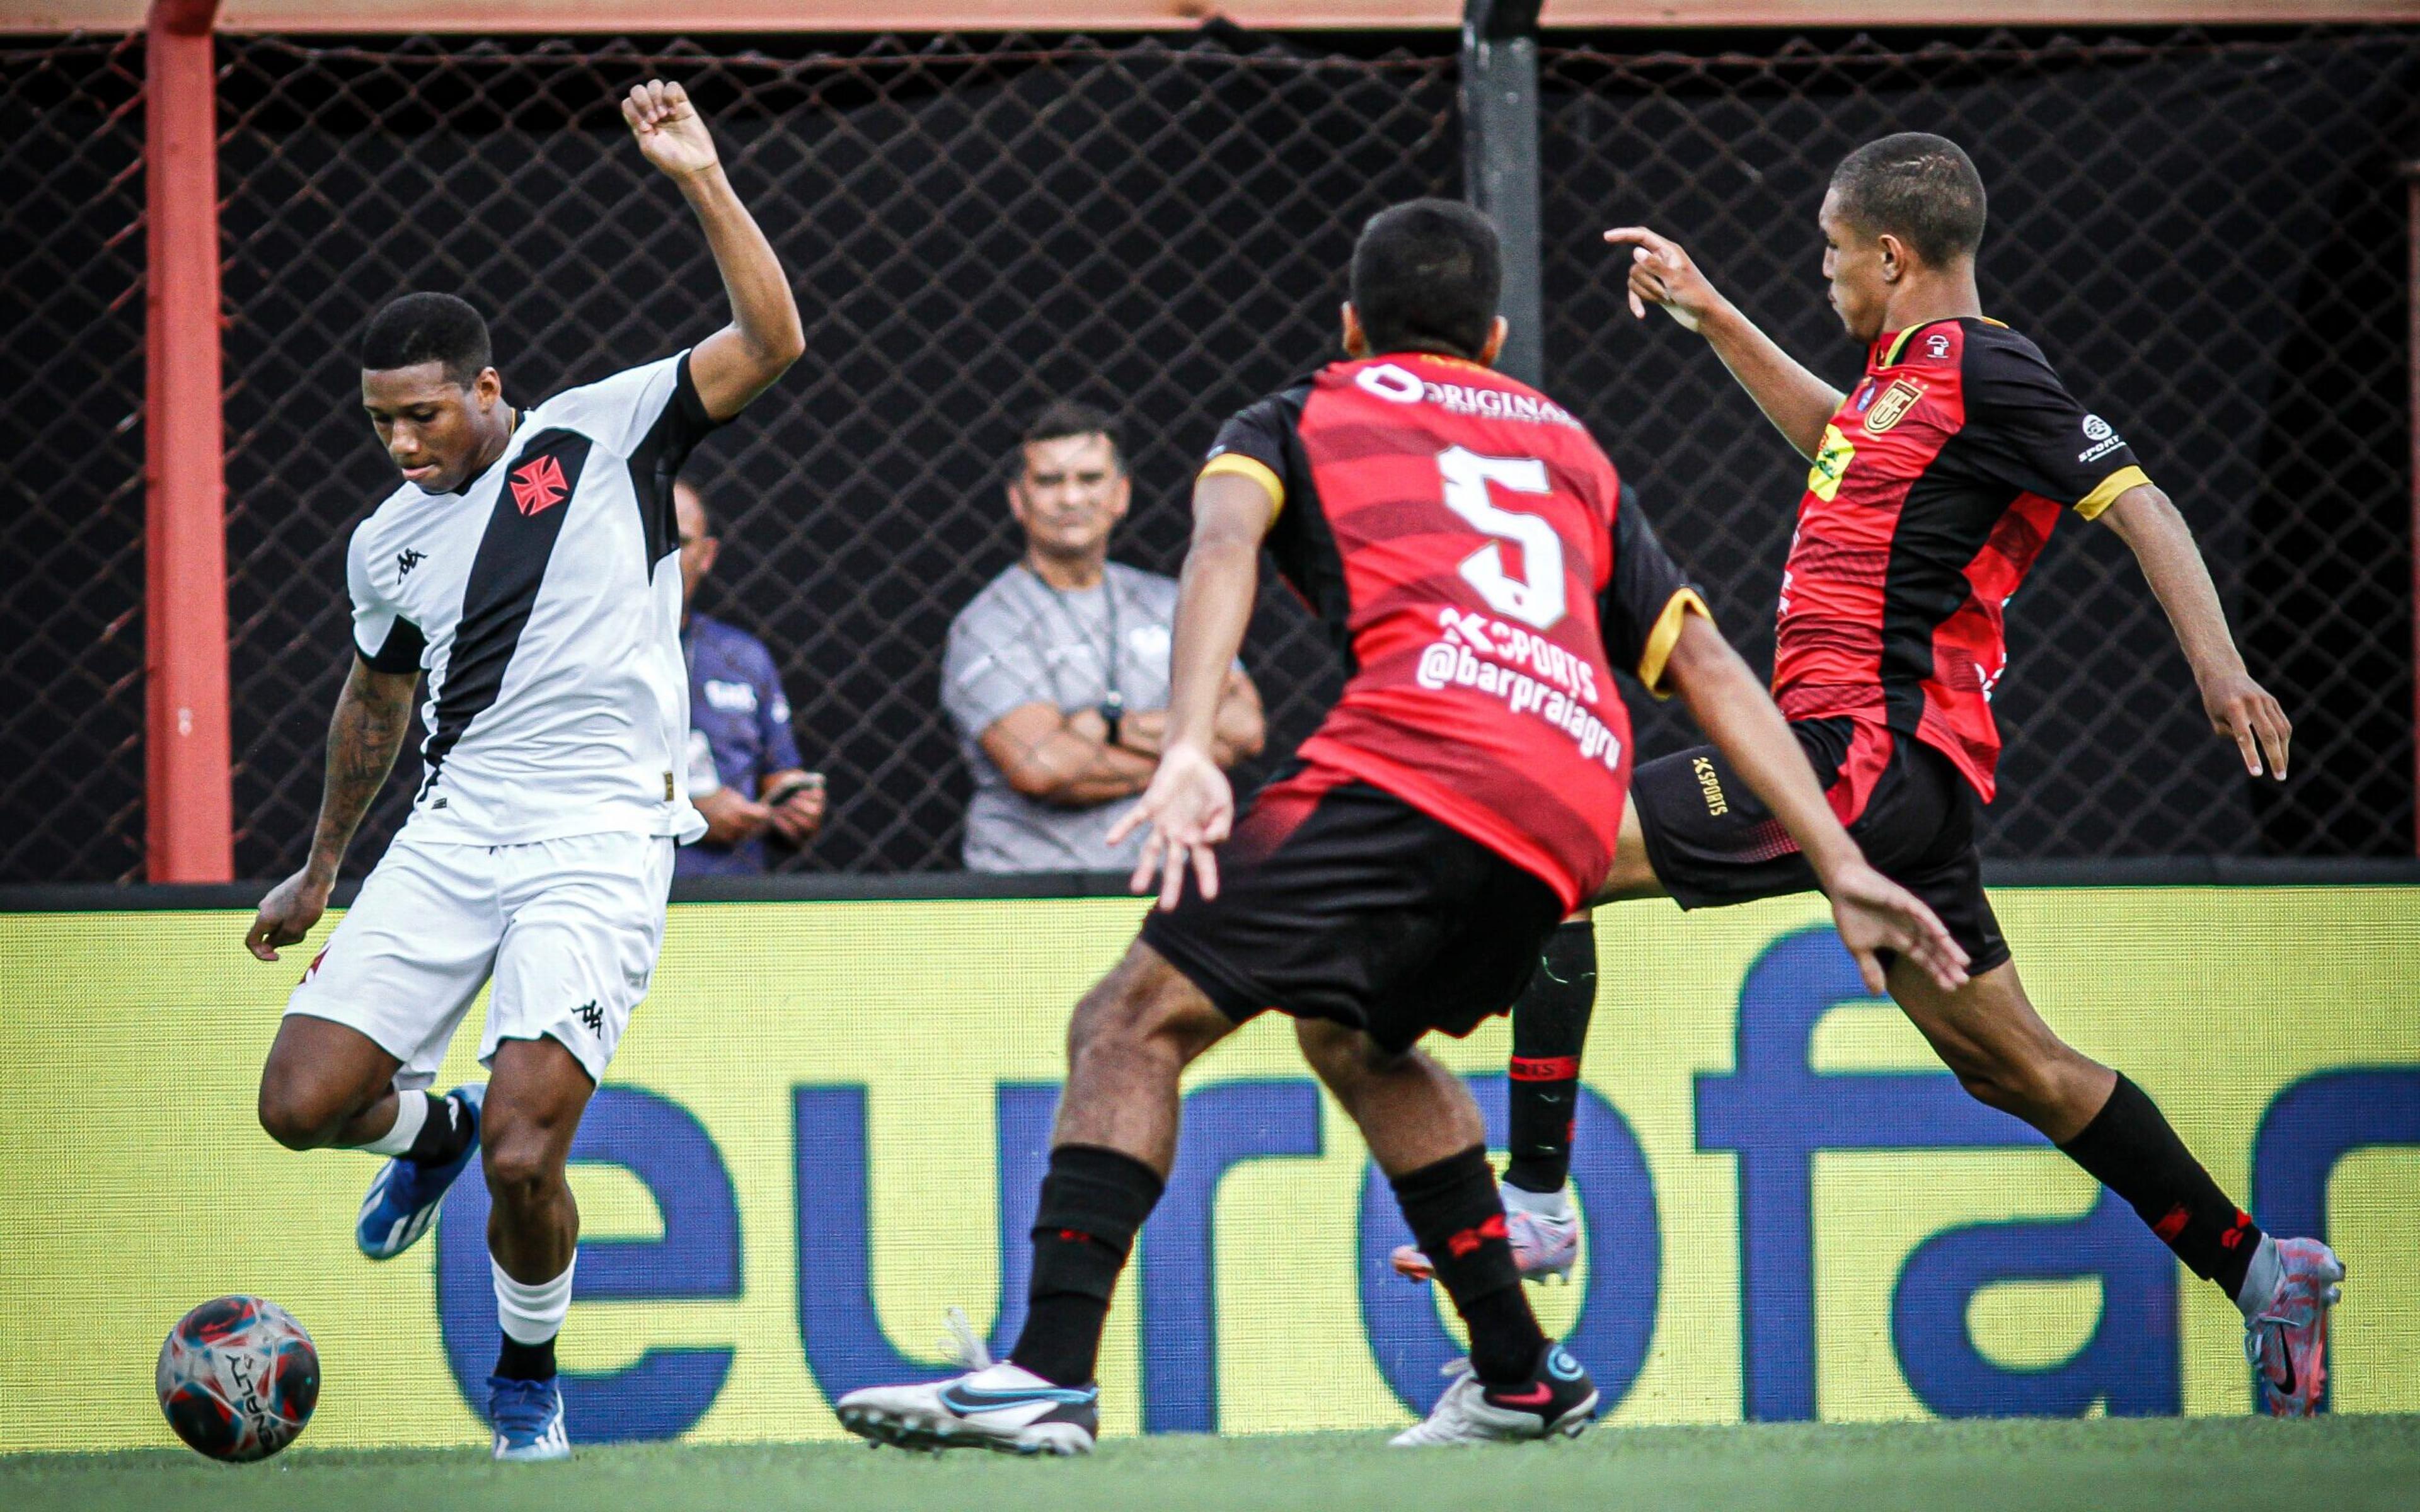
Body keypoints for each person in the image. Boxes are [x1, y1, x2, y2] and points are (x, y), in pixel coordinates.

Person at [833, 198, 1964, 1455]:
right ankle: (1523, 1374)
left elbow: (1218, 551)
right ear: (1492, 335)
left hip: (1421, 761)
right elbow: (1698, 658)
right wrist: (1839, 856)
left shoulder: (1302, 410)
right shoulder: (1568, 448)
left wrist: (1195, 739)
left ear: (1349, 324)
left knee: (1128, 1019)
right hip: (1572, 806)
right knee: (1357, 1040)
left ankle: (1046, 1370)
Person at [1441, 132, 2340, 1417]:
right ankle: (2269, 1276)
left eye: (1829, 254)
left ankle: (1532, 1206)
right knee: (2015, 1066)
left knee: (1545, 847)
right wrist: (1715, 317)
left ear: (1893, 254)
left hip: (1860, 754)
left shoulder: (1985, 364)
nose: (1825, 277)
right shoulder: (1906, 382)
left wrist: (2223, 671)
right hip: (1894, 781)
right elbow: (1840, 442)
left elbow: (2140, 501)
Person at [240, 80, 802, 1461]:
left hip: (602, 839)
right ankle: (419, 1140)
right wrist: (322, 870)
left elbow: (773, 339)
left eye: (426, 414)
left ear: (489, 390)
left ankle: (527, 1380)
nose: (404, 443)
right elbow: (372, 704)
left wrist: (701, 179)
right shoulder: (387, 543)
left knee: (527, 1151)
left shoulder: (604, 432)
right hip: (455, 832)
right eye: (382, 423)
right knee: (298, 1108)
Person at [943, 401, 1265, 873]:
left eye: (1090, 479)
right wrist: (1188, 754)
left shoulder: (1169, 600)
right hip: (1031, 893)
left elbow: (1246, 729)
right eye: (1050, 482)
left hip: (1164, 885)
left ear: (1121, 494)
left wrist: (1107, 726)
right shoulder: (990, 621)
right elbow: (1043, 767)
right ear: (1018, 499)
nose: (1072, 499)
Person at [674, 479, 825, 874]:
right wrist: (685, 810)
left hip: (733, 902)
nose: (666, 557)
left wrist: (793, 805)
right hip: (624, 899)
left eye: (681, 542)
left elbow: (779, 775)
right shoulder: (583, 652)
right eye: (653, 540)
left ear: (707, 556)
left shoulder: (743, 656)